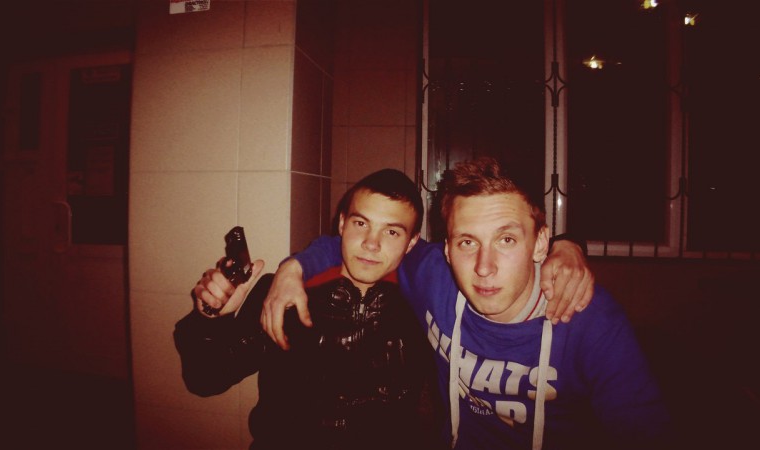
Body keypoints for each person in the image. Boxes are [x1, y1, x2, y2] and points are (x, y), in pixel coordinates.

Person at [263, 157, 670, 449]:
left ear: (540, 243)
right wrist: (293, 268)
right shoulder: (432, 275)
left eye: (506, 240)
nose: (483, 267)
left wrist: (569, 246)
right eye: (467, 242)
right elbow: (365, 246)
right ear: (445, 248)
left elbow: (645, 433)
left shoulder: (586, 315)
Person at [174, 169, 444, 450]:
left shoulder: (423, 305)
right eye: (361, 223)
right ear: (342, 224)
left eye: (391, 231)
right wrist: (211, 319)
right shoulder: (283, 293)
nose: (371, 243)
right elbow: (204, 379)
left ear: (412, 242)